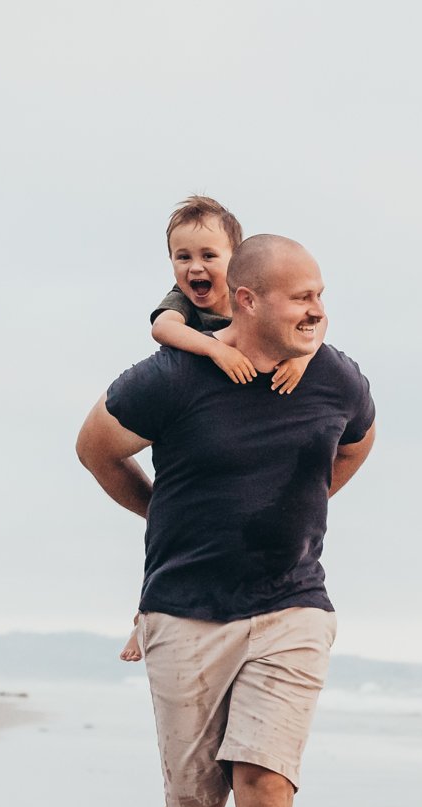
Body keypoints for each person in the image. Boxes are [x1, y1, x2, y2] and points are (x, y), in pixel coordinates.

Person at [75, 234, 378, 807]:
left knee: (267, 789)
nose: (317, 309)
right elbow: (95, 448)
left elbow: (357, 439)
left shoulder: (336, 377)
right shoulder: (171, 376)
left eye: (321, 293)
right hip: (184, 611)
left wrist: (305, 500)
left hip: (292, 607)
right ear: (245, 301)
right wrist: (161, 516)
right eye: (298, 297)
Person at [120, 196, 311, 663]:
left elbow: (311, 320)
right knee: (168, 542)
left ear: (238, 260)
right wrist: (215, 349)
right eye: (182, 257)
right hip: (200, 417)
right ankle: (145, 618)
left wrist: (303, 359)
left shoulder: (260, 294)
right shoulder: (181, 302)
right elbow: (163, 330)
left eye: (209, 256)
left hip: (250, 421)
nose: (194, 268)